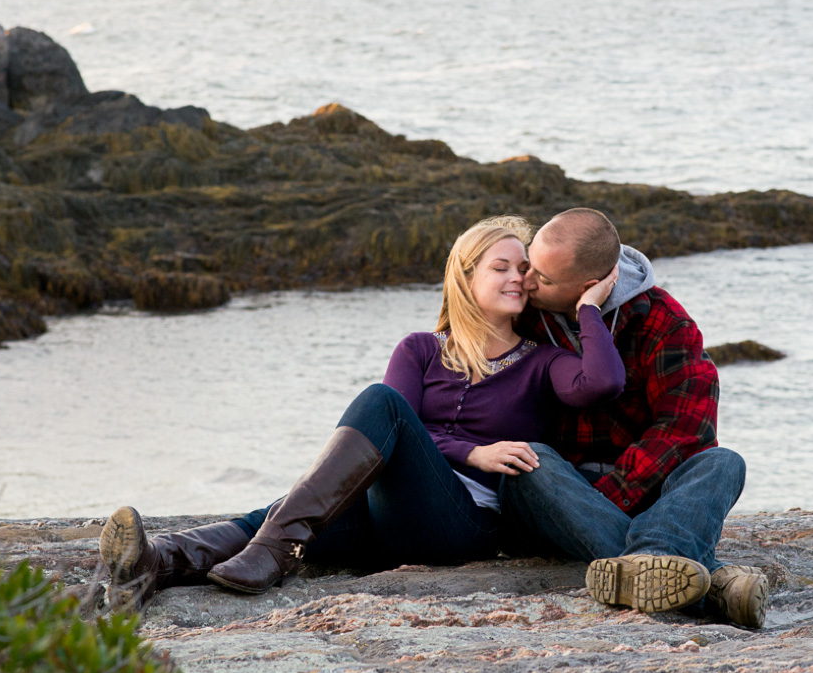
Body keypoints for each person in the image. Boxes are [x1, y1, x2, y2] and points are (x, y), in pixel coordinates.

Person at [99, 215, 641, 607]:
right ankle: (157, 563)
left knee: (380, 405)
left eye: (524, 269)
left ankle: (272, 550)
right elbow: (387, 444)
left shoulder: (544, 361)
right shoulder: (419, 350)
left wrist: (588, 306)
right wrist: (472, 448)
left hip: (460, 525)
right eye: (501, 267)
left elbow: (604, 382)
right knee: (290, 509)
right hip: (384, 520)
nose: (518, 278)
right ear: (466, 278)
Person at [502, 207, 770, 628]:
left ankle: (651, 559)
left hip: (645, 488)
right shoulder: (518, 314)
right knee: (528, 462)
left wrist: (607, 502)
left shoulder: (664, 320)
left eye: (545, 279)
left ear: (588, 287)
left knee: (723, 462)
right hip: (563, 489)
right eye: (530, 265)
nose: (526, 281)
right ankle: (707, 579)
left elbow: (688, 428)